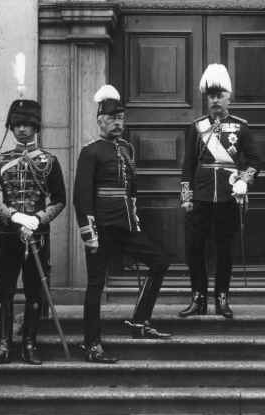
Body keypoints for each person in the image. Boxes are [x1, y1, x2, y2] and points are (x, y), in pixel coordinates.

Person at [74, 85, 172, 364]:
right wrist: (88, 232)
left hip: (127, 225)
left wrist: (136, 220)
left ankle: (139, 321)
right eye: (112, 118)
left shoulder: (127, 149)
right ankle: (91, 344)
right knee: (95, 285)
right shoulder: (90, 152)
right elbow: (81, 197)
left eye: (121, 118)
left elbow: (131, 190)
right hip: (101, 228)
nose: (118, 122)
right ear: (99, 121)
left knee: (160, 260)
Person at [0, 91, 66, 368]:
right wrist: (14, 215)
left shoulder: (49, 161)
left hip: (38, 236)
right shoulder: (1, 160)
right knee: (5, 290)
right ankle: (3, 345)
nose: (21, 128)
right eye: (17, 124)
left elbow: (60, 199)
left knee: (33, 292)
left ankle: (29, 343)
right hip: (8, 234)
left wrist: (39, 219)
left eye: (27, 124)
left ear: (36, 127)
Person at [178, 63, 261, 319]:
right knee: (195, 248)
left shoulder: (240, 127)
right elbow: (188, 166)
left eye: (219, 95)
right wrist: (187, 197)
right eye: (211, 96)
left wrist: (244, 181)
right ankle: (198, 297)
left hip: (228, 198)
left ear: (229, 97)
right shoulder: (197, 127)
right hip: (201, 198)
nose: (214, 100)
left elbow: (255, 161)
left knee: (224, 249)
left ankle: (222, 297)